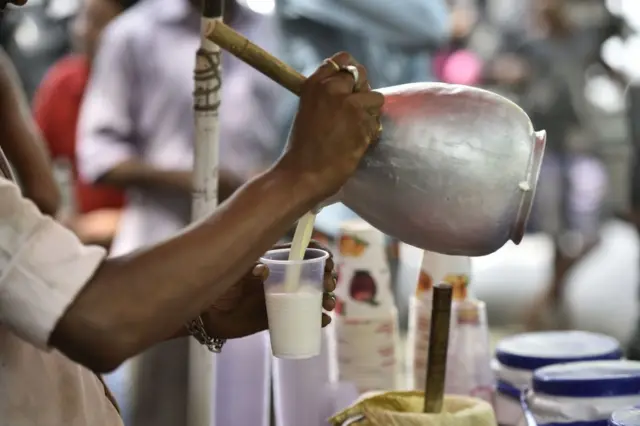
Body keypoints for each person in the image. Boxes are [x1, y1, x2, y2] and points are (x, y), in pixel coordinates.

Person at [0, 0, 384, 417]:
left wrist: (199, 313)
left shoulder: (270, 30)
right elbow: (95, 320)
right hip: (152, 255)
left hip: (241, 246)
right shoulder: (132, 34)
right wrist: (298, 175)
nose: (21, 1)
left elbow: (32, 299)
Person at [75, 0, 283, 423]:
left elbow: (284, 137)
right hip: (161, 257)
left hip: (251, 256)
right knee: (166, 409)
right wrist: (205, 181)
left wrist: (272, 182)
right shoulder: (134, 34)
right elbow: (99, 155)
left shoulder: (271, 32)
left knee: (249, 404)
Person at [32, 0, 134, 248]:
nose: (84, 30)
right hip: (86, 242)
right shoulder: (63, 83)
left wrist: (104, 225)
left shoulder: (158, 91)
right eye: (82, 19)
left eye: (98, 22)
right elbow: (34, 173)